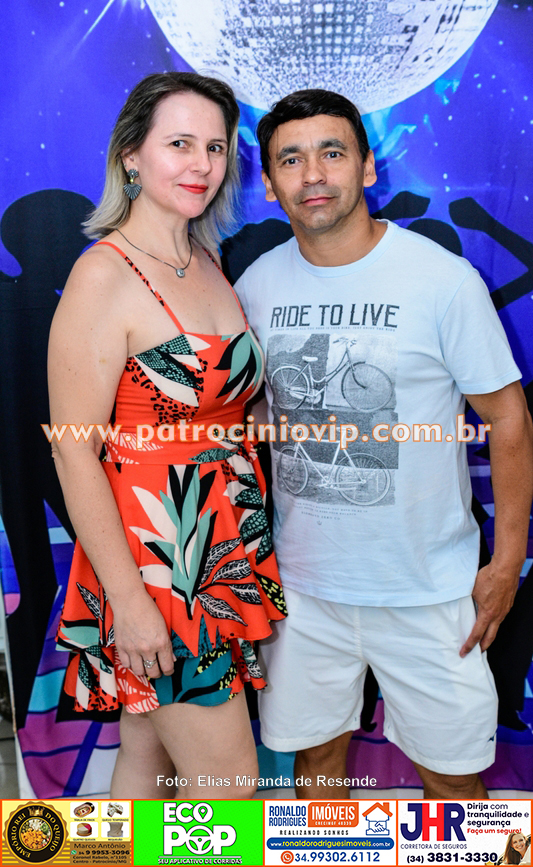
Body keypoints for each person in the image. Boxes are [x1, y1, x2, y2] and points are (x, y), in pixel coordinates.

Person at [234, 88, 533, 800]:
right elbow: (250, 418)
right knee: (314, 765)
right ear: (269, 182)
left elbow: (509, 419)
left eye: (331, 153)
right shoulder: (254, 285)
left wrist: (506, 561)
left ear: (367, 167)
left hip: (426, 589)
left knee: (452, 778)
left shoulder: (441, 280)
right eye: (290, 159)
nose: (313, 174)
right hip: (302, 588)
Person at [49, 72, 286, 799]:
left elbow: (221, 409)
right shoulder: (104, 275)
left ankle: (120, 851)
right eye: (179, 144)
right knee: (230, 788)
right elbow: (73, 447)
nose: (202, 165)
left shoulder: (206, 259)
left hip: (222, 544)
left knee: (147, 757)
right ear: (131, 155)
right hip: (162, 563)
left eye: (215, 147)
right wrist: (130, 600)